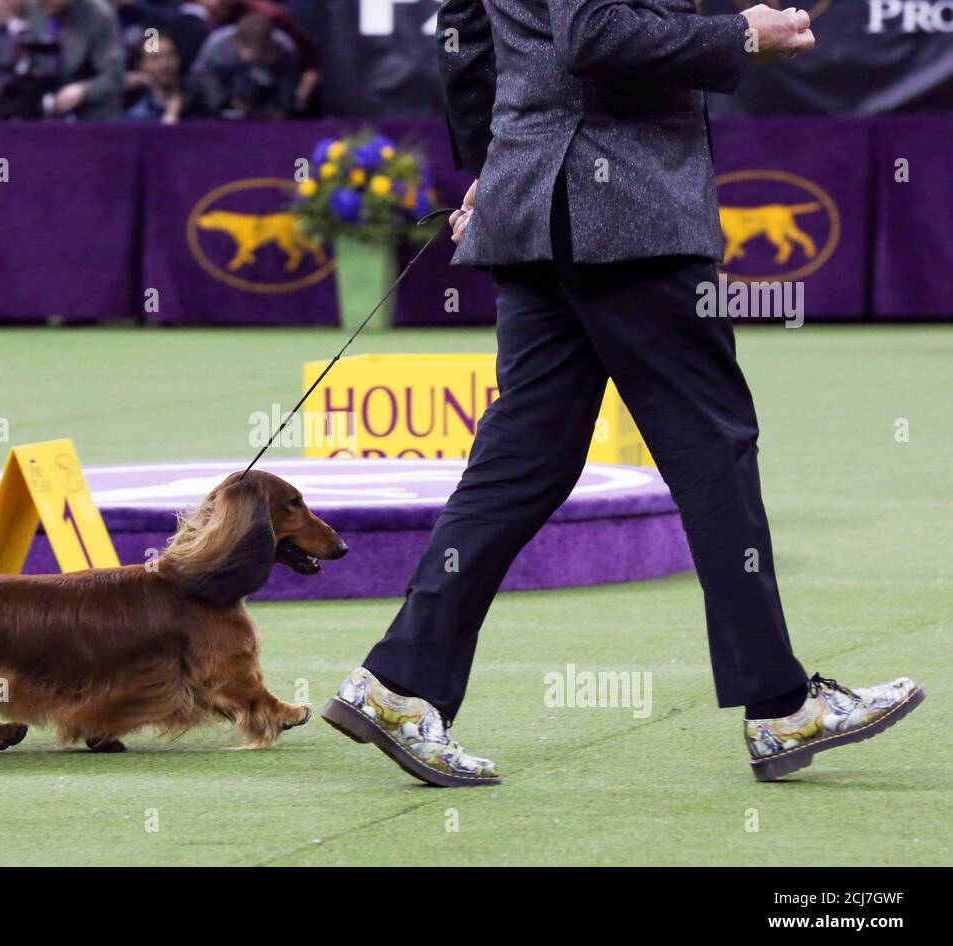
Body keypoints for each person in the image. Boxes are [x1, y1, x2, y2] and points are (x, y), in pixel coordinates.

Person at [320, 2, 925, 787]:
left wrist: (494, 169)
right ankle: (780, 705)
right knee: (713, 449)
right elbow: (595, 33)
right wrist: (741, 35)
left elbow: (465, 33)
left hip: (542, 205)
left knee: (525, 461)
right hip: (623, 213)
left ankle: (401, 684)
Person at [190, 10, 297, 119]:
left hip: (265, 97)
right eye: (256, 53)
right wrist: (223, 101)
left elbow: (286, 85)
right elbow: (201, 74)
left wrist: (279, 111)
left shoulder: (285, 48)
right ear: (237, 42)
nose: (260, 57)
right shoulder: (217, 46)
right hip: (224, 98)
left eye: (264, 51)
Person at [124, 29, 207, 122]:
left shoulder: (200, 105)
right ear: (142, 65)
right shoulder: (136, 117)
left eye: (169, 55)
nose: (164, 64)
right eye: (155, 58)